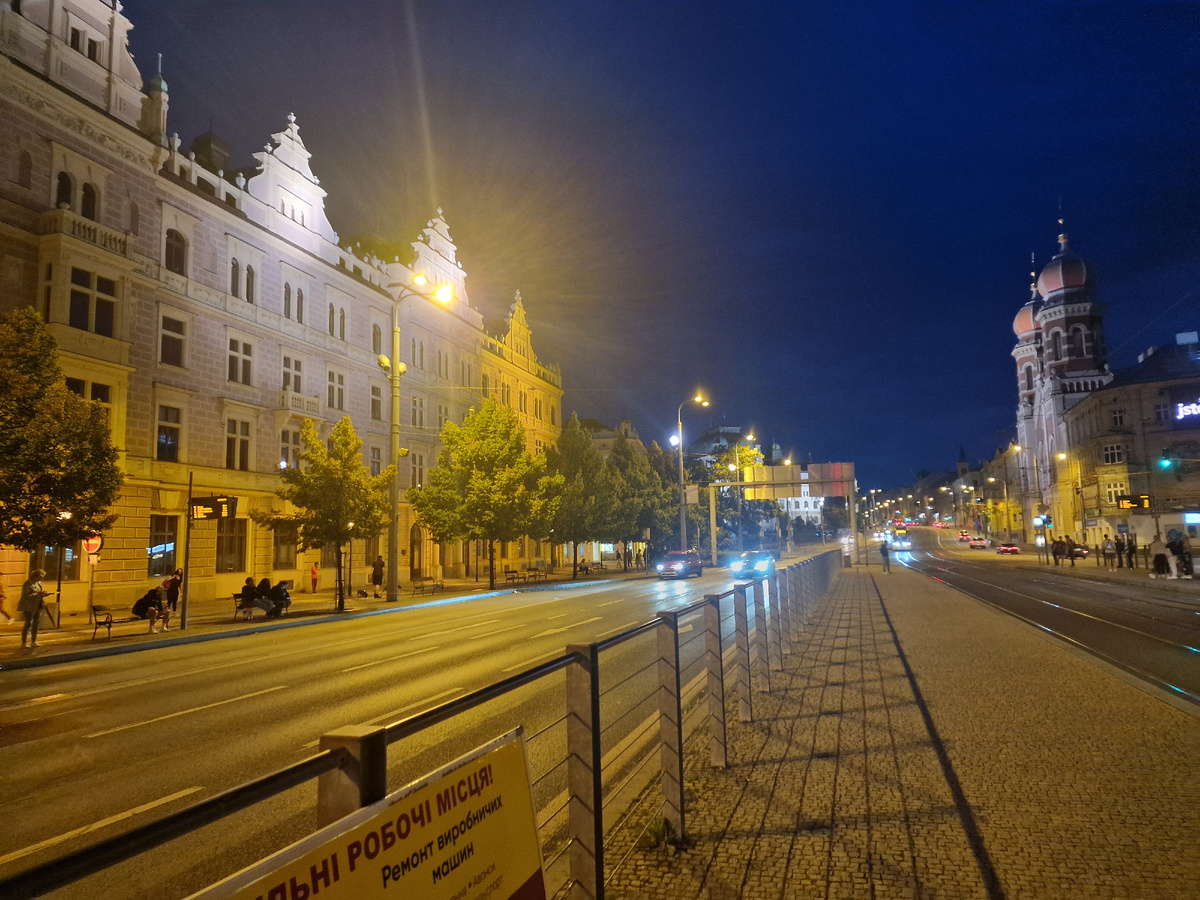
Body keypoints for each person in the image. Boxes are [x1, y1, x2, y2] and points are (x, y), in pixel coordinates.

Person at [19, 568, 51, 648]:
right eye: (41, 577)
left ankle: (33, 641)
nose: (42, 578)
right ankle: (24, 643)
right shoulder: (28, 584)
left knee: (36, 623)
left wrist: (44, 594)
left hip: (37, 605)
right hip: (28, 606)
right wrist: (38, 594)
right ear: (36, 576)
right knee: (28, 623)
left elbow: (39, 593)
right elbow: (26, 596)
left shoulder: (38, 583)